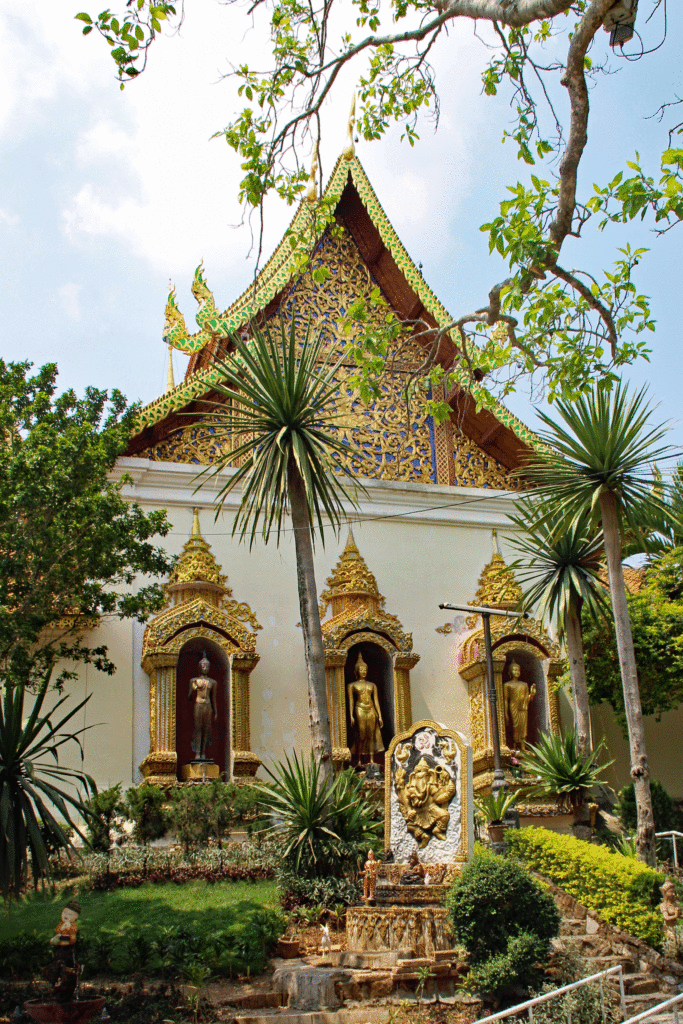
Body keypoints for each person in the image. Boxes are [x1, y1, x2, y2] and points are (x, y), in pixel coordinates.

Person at [347, 652, 383, 763]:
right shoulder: (352, 685)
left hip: (371, 709)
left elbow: (376, 701)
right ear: (357, 671)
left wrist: (380, 716)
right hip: (359, 709)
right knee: (361, 734)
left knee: (371, 735)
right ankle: (358, 760)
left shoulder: (372, 685)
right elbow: (351, 701)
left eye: (365, 670)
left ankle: (372, 760)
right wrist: (351, 715)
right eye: (361, 670)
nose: (363, 672)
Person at [188, 653, 217, 759]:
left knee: (207, 729)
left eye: (207, 667)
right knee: (198, 728)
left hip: (208, 705)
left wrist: (216, 711)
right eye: (203, 666)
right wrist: (193, 688)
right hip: (198, 704)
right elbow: (189, 697)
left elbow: (213, 698)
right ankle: (197, 753)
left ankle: (203, 752)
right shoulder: (194, 681)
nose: (205, 668)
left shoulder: (213, 682)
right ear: (200, 667)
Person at [504, 659, 536, 750]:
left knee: (523, 727)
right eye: (514, 670)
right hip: (513, 706)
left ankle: (523, 748)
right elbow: (505, 700)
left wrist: (532, 694)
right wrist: (505, 713)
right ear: (510, 672)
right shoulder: (507, 685)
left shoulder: (524, 685)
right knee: (515, 726)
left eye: (518, 670)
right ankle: (514, 747)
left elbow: (526, 699)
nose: (517, 672)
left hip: (523, 707)